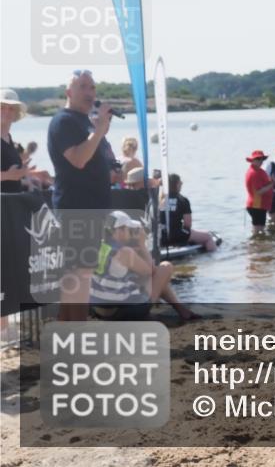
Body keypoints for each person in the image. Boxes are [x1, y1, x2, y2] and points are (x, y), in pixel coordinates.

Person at [47, 70, 116, 321]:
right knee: (77, 276)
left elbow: (93, 158)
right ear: (69, 93)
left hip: (93, 208)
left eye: (93, 88)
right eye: (83, 87)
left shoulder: (86, 122)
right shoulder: (63, 121)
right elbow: (77, 160)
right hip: (76, 208)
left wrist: (101, 131)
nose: (90, 93)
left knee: (81, 275)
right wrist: (98, 132)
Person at [90, 211, 197, 321]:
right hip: (119, 312)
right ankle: (180, 311)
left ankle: (182, 310)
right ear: (120, 230)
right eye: (128, 229)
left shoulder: (100, 246)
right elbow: (152, 271)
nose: (131, 232)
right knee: (165, 267)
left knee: (153, 279)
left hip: (98, 309)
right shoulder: (125, 252)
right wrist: (142, 244)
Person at [162, 173, 217, 252]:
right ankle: (214, 258)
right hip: (176, 235)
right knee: (208, 236)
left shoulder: (159, 200)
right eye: (180, 182)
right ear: (177, 184)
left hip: (161, 236)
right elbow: (188, 224)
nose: (182, 183)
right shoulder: (182, 200)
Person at [1, 89, 29, 194]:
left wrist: (25, 177)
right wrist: (8, 175)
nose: (7, 111)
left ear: (16, 113)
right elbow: (9, 175)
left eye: (11, 108)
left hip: (12, 203)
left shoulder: (9, 140)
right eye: (2, 107)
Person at [244, 149, 273, 235]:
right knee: (258, 231)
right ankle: (255, 246)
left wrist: (271, 182)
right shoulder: (253, 173)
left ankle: (258, 246)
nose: (260, 161)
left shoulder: (259, 171)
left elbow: (266, 182)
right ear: (252, 160)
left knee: (261, 231)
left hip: (260, 205)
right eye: (258, 159)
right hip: (256, 205)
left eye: (262, 159)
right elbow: (258, 192)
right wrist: (271, 185)